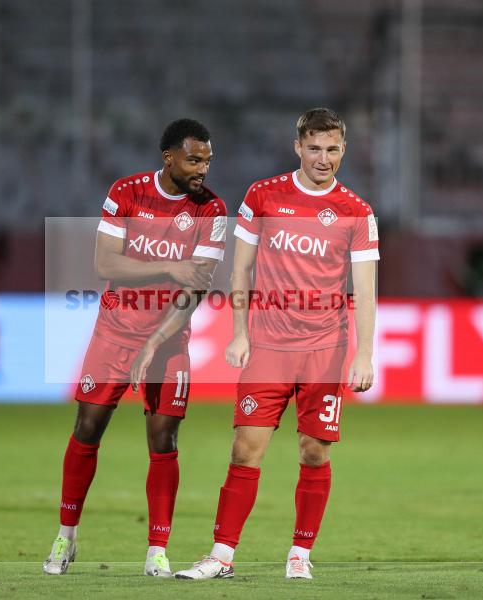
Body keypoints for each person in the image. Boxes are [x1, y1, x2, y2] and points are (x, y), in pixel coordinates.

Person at [175, 108, 379, 581]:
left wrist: (364, 353)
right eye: (314, 148)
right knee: (246, 449)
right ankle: (221, 556)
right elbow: (240, 270)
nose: (323, 158)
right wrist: (240, 332)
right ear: (297, 147)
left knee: (314, 451)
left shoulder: (357, 211)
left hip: (325, 350)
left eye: (332, 149)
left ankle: (299, 555)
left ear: (342, 150)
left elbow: (365, 290)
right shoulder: (263, 196)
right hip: (267, 347)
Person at [44, 118, 227, 578]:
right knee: (88, 428)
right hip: (113, 332)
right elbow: (106, 263)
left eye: (207, 159)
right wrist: (173, 265)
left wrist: (158, 341)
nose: (202, 168)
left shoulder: (213, 210)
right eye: (193, 159)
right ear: (168, 157)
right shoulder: (126, 192)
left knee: (164, 440)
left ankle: (156, 552)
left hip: (169, 339)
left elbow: (195, 289)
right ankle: (65, 538)